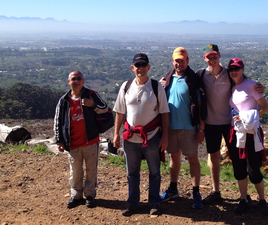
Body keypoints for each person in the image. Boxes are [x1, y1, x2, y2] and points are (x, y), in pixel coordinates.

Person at [197, 44, 265, 204]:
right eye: (209, 57)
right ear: (204, 58)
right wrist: (164, 82)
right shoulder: (200, 75)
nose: (212, 60)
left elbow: (245, 85)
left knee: (238, 158)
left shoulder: (229, 74)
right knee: (213, 157)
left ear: (219, 56)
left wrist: (260, 87)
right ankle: (216, 191)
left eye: (214, 56)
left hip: (230, 124)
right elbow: (185, 80)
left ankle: (244, 195)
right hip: (210, 123)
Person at [113, 53, 170, 216]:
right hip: (130, 137)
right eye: (137, 65)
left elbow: (165, 113)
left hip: (152, 136)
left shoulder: (156, 86)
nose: (141, 68)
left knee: (155, 172)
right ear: (133, 68)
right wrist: (116, 134)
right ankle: (132, 203)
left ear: (148, 67)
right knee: (132, 173)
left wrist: (165, 136)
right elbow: (119, 112)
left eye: (143, 65)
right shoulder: (126, 86)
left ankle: (154, 202)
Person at [54, 70, 109, 209]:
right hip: (73, 144)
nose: (76, 81)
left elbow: (105, 108)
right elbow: (58, 120)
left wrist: (93, 105)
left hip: (91, 141)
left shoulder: (91, 95)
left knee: (91, 170)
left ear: (83, 81)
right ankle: (76, 196)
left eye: (79, 78)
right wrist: (59, 140)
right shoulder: (64, 100)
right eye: (73, 79)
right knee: (75, 171)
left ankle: (90, 195)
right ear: (69, 82)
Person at [158, 47, 205, 209]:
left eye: (182, 60)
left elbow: (200, 105)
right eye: (176, 60)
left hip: (189, 127)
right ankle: (173, 188)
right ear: (173, 61)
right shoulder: (168, 78)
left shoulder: (192, 79)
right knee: (174, 158)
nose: (179, 63)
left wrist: (201, 129)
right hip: (170, 127)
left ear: (188, 61)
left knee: (193, 159)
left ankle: (196, 192)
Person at [227, 57, 268, 215]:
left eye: (236, 69)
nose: (234, 72)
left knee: (253, 168)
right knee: (239, 168)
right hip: (237, 132)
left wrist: (247, 119)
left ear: (243, 69)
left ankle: (262, 200)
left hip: (251, 133)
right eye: (231, 69)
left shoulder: (251, 85)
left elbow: (265, 107)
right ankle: (243, 199)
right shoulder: (232, 86)